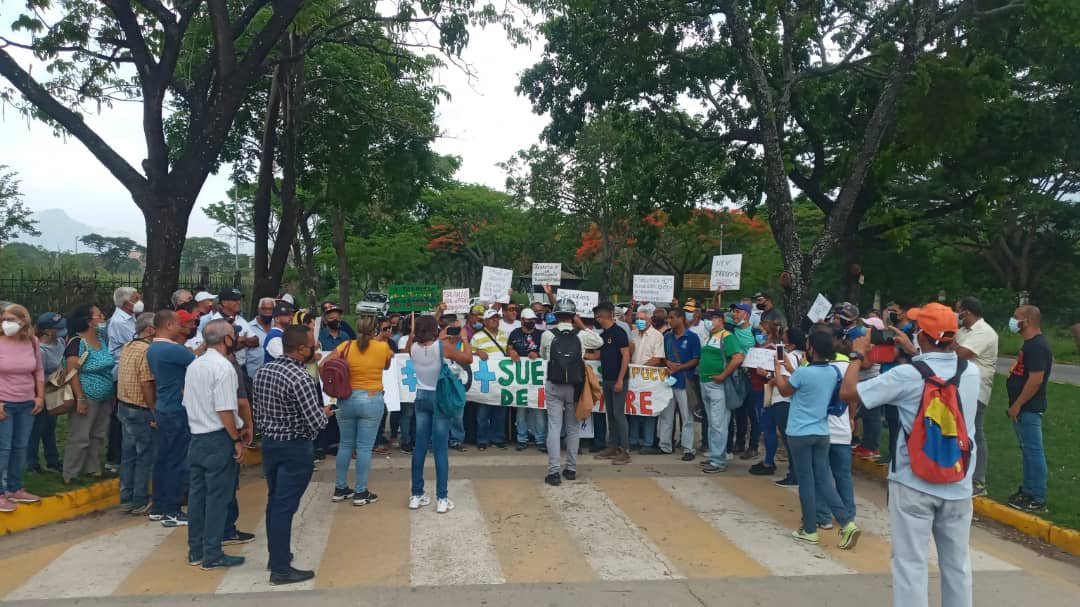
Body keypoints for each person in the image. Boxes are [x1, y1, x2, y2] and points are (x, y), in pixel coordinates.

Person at [840, 302, 979, 607]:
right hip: (958, 481)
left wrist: (856, 353)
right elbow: (939, 372)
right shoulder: (971, 372)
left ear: (922, 336)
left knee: (910, 564)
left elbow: (849, 392)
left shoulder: (906, 375)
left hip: (912, 480)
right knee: (957, 564)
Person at [252, 325, 328, 585]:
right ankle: (282, 569)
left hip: (271, 445)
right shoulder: (300, 378)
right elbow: (315, 422)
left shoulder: (263, 371)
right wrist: (325, 414)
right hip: (295, 448)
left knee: (275, 502)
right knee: (285, 507)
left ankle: (277, 556)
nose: (314, 349)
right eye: (311, 346)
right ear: (300, 349)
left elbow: (257, 411)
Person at [773, 330, 860, 549]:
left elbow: (784, 391)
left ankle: (810, 529)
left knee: (806, 481)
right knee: (823, 479)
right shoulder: (832, 372)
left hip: (799, 432)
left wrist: (777, 369)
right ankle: (847, 523)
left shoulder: (804, 373)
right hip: (822, 432)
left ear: (812, 349)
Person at [182, 320, 247, 571]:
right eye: (234, 335)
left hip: (196, 436)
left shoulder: (195, 365)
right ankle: (212, 553)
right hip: (218, 437)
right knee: (218, 499)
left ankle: (195, 550)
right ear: (226, 340)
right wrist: (236, 439)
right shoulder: (224, 368)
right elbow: (225, 409)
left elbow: (187, 399)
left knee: (198, 498)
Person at [321, 315, 392, 505]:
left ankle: (340, 487)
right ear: (375, 330)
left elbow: (323, 365)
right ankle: (361, 492)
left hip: (346, 399)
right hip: (371, 398)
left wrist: (332, 386)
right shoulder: (383, 347)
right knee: (364, 448)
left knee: (345, 445)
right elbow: (386, 365)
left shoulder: (344, 346)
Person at [407, 315, 473, 513]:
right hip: (440, 397)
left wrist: (440, 334)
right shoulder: (442, 348)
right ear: (436, 330)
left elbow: (424, 339)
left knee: (420, 446)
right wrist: (464, 339)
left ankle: (416, 495)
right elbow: (468, 359)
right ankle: (442, 498)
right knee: (440, 448)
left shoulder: (413, 348)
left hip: (421, 395)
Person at [540, 299, 603, 486]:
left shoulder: (547, 335)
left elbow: (544, 356)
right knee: (573, 428)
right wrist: (581, 325)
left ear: (556, 314)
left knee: (554, 427)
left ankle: (553, 472)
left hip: (554, 384)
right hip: (575, 386)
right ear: (573, 315)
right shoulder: (581, 335)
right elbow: (599, 342)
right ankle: (571, 469)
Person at [146, 310, 197, 527]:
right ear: (168, 325)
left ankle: (159, 506)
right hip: (177, 408)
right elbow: (196, 361)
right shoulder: (171, 349)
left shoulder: (153, 348)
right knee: (176, 461)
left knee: (163, 459)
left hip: (163, 407)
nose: (182, 327)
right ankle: (172, 510)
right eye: (178, 324)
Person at [61, 304, 115, 486]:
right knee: (80, 435)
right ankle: (70, 471)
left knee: (98, 434)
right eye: (99, 316)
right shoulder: (77, 342)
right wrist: (80, 398)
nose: (103, 319)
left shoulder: (101, 338)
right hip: (86, 395)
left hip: (105, 395)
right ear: (88, 321)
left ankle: (92, 467)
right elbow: (72, 371)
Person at [1004, 305, 1051, 512]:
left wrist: (1018, 404)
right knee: (1027, 450)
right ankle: (1028, 489)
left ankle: (1037, 496)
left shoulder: (1037, 346)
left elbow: (1036, 380)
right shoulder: (1030, 344)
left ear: (1028, 321)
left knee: (1033, 451)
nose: (1013, 321)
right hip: (1023, 408)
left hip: (1029, 408)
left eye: (1016, 317)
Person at [0, 303, 45, 511]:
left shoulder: (32, 341)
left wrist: (40, 397)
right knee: (4, 448)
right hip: (4, 403)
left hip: (27, 402)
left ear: (23, 320)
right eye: (3, 319)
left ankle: (15, 488)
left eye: (10, 319)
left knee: (20, 447)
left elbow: (38, 371)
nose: (6, 324)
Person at [954, 296, 999, 497]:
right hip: (959, 387)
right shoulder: (963, 330)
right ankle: (959, 472)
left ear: (968, 312)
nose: (956, 315)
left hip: (977, 390)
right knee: (958, 431)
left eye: (958, 311)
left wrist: (947, 339)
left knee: (975, 432)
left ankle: (978, 481)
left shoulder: (984, 332)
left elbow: (962, 353)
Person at [115, 312, 157, 515]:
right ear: (150, 330)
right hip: (140, 409)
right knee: (144, 456)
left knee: (128, 455)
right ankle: (140, 501)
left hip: (124, 405)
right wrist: (153, 410)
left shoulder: (128, 346)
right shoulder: (147, 351)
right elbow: (147, 384)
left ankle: (126, 498)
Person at [698, 309, 745, 474]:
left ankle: (718, 460)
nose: (709, 322)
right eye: (707, 319)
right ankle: (715, 455)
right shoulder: (710, 336)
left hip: (718, 385)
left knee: (718, 423)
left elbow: (738, 357)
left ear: (720, 320)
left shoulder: (727, 336)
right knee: (712, 423)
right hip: (705, 383)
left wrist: (723, 375)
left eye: (712, 318)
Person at [106, 287, 143, 470]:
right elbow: (137, 342)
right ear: (126, 303)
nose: (140, 300)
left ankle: (120, 455)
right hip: (122, 371)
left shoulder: (130, 318)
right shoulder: (120, 322)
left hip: (128, 370)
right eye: (136, 298)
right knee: (120, 416)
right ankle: (115, 456)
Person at [592, 302, 631, 465]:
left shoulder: (619, 333)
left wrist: (621, 379)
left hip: (618, 379)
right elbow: (597, 356)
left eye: (597, 316)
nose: (596, 319)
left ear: (601, 317)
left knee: (619, 414)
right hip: (607, 379)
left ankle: (625, 450)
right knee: (611, 414)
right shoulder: (603, 335)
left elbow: (626, 356)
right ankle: (613, 445)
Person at [27, 312, 65, 474]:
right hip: (41, 391)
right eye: (58, 327)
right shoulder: (40, 350)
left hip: (54, 391)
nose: (62, 329)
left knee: (50, 427)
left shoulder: (61, 342)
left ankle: (52, 460)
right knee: (36, 429)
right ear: (48, 331)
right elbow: (37, 374)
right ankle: (32, 463)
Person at [659, 309, 700, 461]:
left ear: (681, 319)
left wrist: (680, 367)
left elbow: (696, 359)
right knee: (666, 415)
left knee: (687, 416)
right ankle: (665, 445)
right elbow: (663, 355)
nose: (670, 320)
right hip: (669, 380)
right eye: (669, 317)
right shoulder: (667, 337)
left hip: (684, 380)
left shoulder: (692, 337)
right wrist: (667, 363)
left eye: (672, 317)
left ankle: (688, 448)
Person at [508, 308, 547, 452]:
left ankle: (540, 439)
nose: (531, 322)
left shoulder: (542, 335)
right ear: (522, 320)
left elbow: (547, 352)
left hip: (537, 381)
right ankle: (522, 439)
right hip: (520, 380)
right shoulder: (515, 333)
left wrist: (538, 354)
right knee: (521, 412)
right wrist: (511, 352)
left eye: (533, 320)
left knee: (539, 412)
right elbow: (509, 347)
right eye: (528, 320)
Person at [471, 309, 510, 451]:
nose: (495, 320)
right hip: (485, 380)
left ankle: (498, 438)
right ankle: (482, 439)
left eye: (497, 318)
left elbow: (509, 350)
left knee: (500, 412)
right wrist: (477, 352)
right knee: (483, 412)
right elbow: (469, 355)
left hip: (501, 379)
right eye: (492, 318)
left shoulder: (505, 336)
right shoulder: (477, 337)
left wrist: (512, 352)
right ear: (485, 321)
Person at [629, 307, 664, 452]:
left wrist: (640, 369)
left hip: (649, 379)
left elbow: (657, 358)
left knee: (649, 410)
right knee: (633, 409)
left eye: (642, 319)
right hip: (634, 378)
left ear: (650, 320)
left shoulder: (657, 336)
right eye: (637, 319)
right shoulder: (633, 333)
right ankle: (633, 440)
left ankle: (649, 443)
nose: (639, 321)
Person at [245, 297, 277, 381]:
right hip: (253, 377)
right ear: (258, 310)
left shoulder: (278, 327)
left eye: (270, 309)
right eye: (264, 309)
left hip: (274, 378)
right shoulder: (249, 327)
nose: (267, 312)